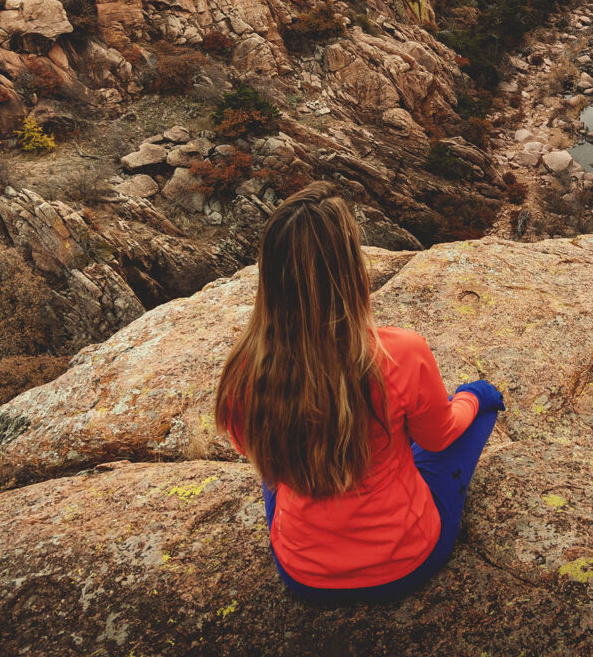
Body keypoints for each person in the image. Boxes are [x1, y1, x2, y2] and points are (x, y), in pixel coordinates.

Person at [213, 183, 503, 602]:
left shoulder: (245, 369)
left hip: (300, 572)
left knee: (280, 464)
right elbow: (439, 437)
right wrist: (472, 396)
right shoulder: (400, 352)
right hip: (405, 560)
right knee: (481, 408)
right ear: (350, 269)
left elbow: (262, 461)